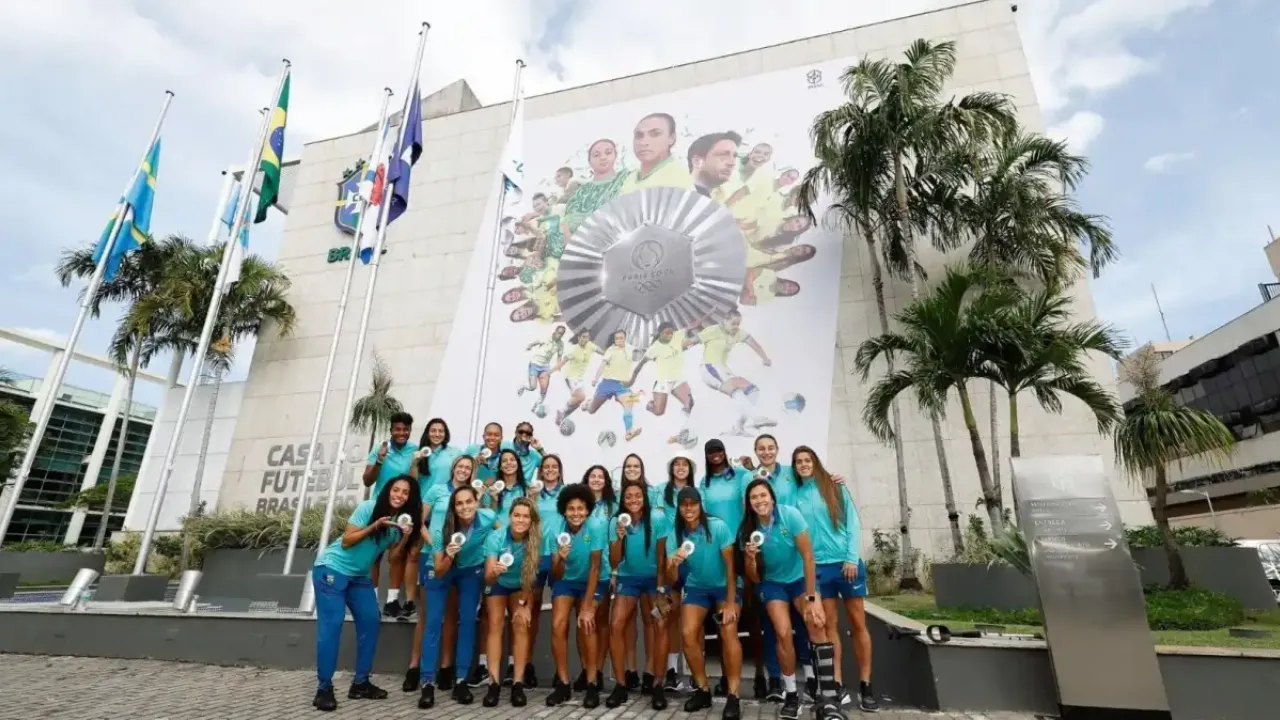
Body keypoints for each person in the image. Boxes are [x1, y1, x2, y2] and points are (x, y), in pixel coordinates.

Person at [311, 474, 421, 712]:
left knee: (372, 621)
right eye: (396, 490)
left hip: (359, 577)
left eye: (405, 493)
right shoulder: (369, 507)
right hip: (332, 569)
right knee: (332, 626)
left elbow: (393, 558)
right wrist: (374, 526)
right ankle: (324, 688)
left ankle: (360, 683)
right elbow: (347, 541)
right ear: (387, 491)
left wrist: (403, 537)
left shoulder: (396, 525)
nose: (399, 495)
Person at [739, 478, 843, 720]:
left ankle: (827, 698)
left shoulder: (790, 515)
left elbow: (808, 557)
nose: (759, 501)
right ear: (749, 503)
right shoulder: (747, 530)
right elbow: (753, 578)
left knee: (817, 623)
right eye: (754, 498)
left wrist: (811, 597)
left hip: (799, 580)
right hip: (773, 585)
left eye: (763, 495)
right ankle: (792, 694)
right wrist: (751, 559)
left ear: (772, 497)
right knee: (783, 632)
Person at [791, 445, 877, 713]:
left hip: (846, 564)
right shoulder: (796, 495)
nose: (803, 464)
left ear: (815, 462)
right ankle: (836, 684)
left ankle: (866, 684)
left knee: (858, 624)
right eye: (799, 462)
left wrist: (852, 557)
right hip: (819, 569)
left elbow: (853, 522)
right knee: (829, 627)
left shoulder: (834, 486)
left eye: (807, 460)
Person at [662, 486, 742, 720]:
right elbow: (672, 580)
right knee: (687, 634)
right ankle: (703, 689)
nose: (688, 508)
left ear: (700, 505)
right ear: (678, 508)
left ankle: (733, 695)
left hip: (725, 586)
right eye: (684, 504)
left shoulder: (717, 526)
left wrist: (729, 602)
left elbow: (730, 567)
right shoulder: (674, 534)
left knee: (728, 631)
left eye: (693, 503)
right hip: (697, 587)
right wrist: (673, 564)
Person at [418, 485, 498, 709]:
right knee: (433, 622)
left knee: (467, 624)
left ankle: (461, 681)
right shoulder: (441, 528)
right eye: (459, 503)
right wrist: (450, 555)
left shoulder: (488, 516)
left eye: (469, 502)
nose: (465, 507)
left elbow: (503, 534)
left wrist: (495, 553)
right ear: (453, 507)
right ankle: (427, 683)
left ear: (476, 502)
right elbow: (440, 570)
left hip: (470, 570)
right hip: (442, 568)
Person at [402, 455, 476, 692]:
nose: (463, 470)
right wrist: (432, 541)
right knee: (428, 615)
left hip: (459, 557)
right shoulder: (436, 489)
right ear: (453, 468)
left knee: (452, 613)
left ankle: (446, 667)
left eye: (468, 467)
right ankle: (415, 667)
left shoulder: (471, 496)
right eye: (460, 466)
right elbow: (419, 520)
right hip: (432, 553)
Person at [701, 438, 766, 699]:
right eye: (711, 452)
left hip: (744, 547)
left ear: (725, 452)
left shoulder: (740, 474)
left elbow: (749, 500)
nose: (716, 455)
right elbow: (703, 515)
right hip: (719, 552)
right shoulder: (704, 483)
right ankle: (727, 677)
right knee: (723, 617)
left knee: (754, 615)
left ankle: (762, 675)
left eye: (719, 450)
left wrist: (745, 537)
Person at [606, 476, 671, 710]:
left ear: (644, 498)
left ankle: (657, 684)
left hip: (655, 580)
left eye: (637, 495)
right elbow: (614, 560)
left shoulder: (659, 518)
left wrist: (662, 590)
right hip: (628, 579)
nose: (633, 499)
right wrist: (618, 537)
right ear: (623, 500)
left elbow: (663, 557)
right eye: (628, 496)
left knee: (660, 624)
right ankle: (621, 685)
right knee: (616, 625)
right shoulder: (616, 521)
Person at [545, 483, 607, 708]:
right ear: (564, 510)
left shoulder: (597, 526)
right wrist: (560, 557)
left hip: (593, 578)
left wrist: (587, 606)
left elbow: (595, 567)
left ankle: (592, 683)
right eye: (571, 509)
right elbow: (556, 571)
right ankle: (562, 683)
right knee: (558, 624)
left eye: (581, 508)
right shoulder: (555, 529)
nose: (576, 513)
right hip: (566, 580)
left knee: (587, 623)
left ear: (588, 509)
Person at [480, 497, 543, 707]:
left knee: (521, 624)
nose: (521, 520)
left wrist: (525, 605)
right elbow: (488, 577)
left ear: (531, 520)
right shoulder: (496, 537)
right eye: (517, 515)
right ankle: (494, 683)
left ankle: (517, 683)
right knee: (495, 625)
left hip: (521, 586)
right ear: (510, 516)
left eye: (526, 516)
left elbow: (531, 580)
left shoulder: (535, 540)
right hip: (498, 582)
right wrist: (495, 571)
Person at [396, 418, 460, 623]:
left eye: (441, 430)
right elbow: (414, 481)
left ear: (446, 433)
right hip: (423, 507)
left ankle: (447, 600)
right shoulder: (420, 453)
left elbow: (464, 473)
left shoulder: (454, 453)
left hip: (445, 508)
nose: (437, 434)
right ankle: (410, 601)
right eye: (433, 430)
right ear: (427, 433)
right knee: (414, 554)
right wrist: (414, 463)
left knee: (445, 551)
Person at [363, 411, 418, 618]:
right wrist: (379, 461)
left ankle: (392, 602)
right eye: (398, 429)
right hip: (380, 508)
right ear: (391, 430)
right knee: (374, 556)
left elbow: (416, 480)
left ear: (410, 431)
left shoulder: (416, 450)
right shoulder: (380, 449)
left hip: (403, 511)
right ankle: (372, 602)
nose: (401, 433)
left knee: (397, 556)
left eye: (405, 429)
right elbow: (367, 481)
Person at [688, 310, 775, 436]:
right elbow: (690, 341)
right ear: (725, 320)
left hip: (724, 369)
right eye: (733, 323)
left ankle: (739, 426)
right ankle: (757, 418)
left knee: (752, 390)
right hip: (709, 368)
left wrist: (765, 358)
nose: (736, 327)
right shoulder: (713, 330)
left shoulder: (738, 333)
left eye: (738, 324)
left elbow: (753, 343)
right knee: (735, 390)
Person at [654, 454, 696, 693]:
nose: (680, 468)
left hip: (694, 558)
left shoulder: (697, 491)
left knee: (694, 621)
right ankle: (670, 672)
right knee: (670, 615)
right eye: (676, 464)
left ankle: (693, 673)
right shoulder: (661, 490)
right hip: (670, 555)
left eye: (685, 464)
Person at [579, 465, 617, 691]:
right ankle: (586, 669)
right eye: (592, 476)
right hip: (580, 570)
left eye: (600, 476)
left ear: (606, 481)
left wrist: (614, 571)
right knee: (584, 624)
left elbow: (615, 542)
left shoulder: (612, 506)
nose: (596, 480)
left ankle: (599, 670)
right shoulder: (579, 504)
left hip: (603, 569)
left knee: (600, 621)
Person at [628, 321, 696, 446]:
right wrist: (632, 379)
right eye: (666, 333)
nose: (670, 335)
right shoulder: (655, 348)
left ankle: (680, 432)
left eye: (671, 333)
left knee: (690, 403)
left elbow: (693, 325)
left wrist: (710, 313)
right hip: (663, 381)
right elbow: (640, 365)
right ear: (660, 334)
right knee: (659, 412)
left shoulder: (677, 336)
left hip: (678, 380)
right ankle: (640, 397)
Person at [560, 138, 629, 237]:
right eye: (596, 155)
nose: (603, 157)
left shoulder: (626, 179)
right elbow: (569, 222)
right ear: (589, 161)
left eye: (608, 153)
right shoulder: (582, 192)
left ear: (615, 155)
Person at [619, 112, 694, 194]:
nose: (644, 142)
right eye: (639, 135)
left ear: (671, 138)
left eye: (655, 134)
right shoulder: (630, 179)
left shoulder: (680, 177)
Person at [589, 329, 641, 441]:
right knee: (591, 410)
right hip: (607, 383)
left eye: (621, 338)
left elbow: (641, 354)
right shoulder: (611, 350)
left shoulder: (630, 349)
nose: (619, 340)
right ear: (614, 340)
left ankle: (629, 432)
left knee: (630, 403)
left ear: (625, 338)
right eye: (616, 338)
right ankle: (588, 403)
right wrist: (595, 378)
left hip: (622, 385)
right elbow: (602, 365)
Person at [553, 328, 601, 428]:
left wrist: (611, 353)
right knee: (581, 396)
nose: (586, 339)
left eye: (587, 337)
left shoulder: (590, 346)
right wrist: (551, 371)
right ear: (579, 337)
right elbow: (563, 361)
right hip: (571, 376)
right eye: (583, 337)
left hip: (579, 378)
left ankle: (562, 417)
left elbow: (602, 352)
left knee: (578, 402)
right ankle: (562, 411)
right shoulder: (574, 350)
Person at [519, 325, 566, 416]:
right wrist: (529, 346)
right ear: (555, 331)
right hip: (535, 364)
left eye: (562, 334)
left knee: (544, 391)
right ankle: (523, 387)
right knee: (533, 387)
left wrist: (559, 366)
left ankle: (535, 407)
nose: (559, 335)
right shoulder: (546, 337)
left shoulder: (561, 344)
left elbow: (559, 357)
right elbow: (536, 342)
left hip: (545, 367)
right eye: (559, 332)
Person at [688, 131, 742, 202]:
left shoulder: (721, 200)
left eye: (734, 156)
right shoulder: (678, 196)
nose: (732, 163)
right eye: (723, 155)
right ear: (697, 161)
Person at [510, 421, 544, 485]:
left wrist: (540, 449)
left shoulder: (535, 456)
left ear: (531, 437)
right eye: (521, 432)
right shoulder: (505, 446)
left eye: (528, 433)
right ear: (516, 433)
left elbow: (552, 464)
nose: (524, 434)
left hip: (525, 492)